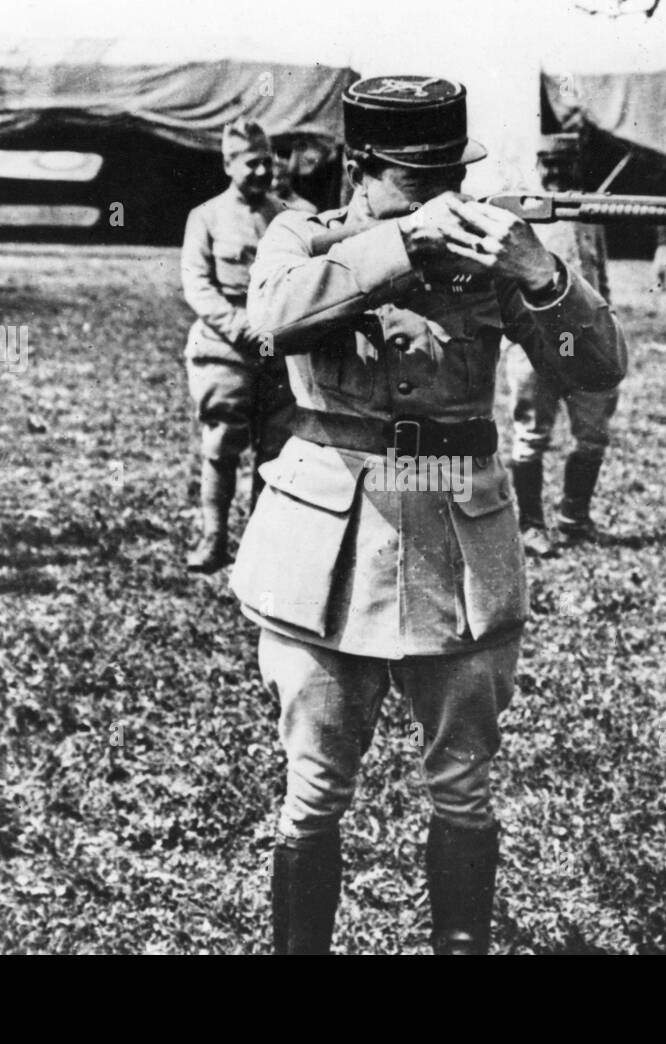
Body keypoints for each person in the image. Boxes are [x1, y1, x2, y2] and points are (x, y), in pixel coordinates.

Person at [231, 76, 626, 954]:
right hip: (328, 544)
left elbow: (596, 368)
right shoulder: (309, 237)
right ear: (362, 170)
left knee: (464, 787)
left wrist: (543, 273)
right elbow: (274, 318)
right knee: (314, 789)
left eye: (449, 172)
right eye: (419, 178)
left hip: (459, 542)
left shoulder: (489, 253)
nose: (440, 192)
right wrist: (404, 241)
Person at [180, 119, 296, 574]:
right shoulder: (205, 217)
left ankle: (259, 545)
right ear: (228, 164)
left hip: (278, 353)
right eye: (251, 164)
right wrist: (243, 328)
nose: (262, 172)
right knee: (222, 445)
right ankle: (213, 540)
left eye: (267, 163)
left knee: (275, 450)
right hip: (224, 350)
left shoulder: (287, 215)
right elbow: (198, 285)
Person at [505, 133, 623, 556]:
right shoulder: (519, 215)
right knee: (530, 437)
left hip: (587, 344)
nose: (556, 172)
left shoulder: (589, 212)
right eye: (548, 164)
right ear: (537, 166)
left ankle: (575, 519)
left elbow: (600, 278)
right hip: (534, 343)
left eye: (564, 164)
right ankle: (530, 525)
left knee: (592, 437)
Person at [272, 147, 317, 214]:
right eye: (271, 177)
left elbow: (311, 210)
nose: (274, 183)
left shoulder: (303, 205)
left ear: (289, 178)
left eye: (280, 178)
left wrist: (272, 201)